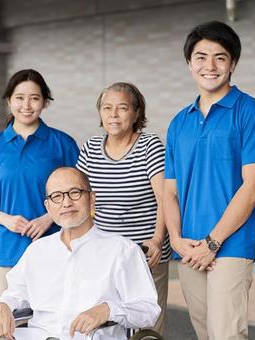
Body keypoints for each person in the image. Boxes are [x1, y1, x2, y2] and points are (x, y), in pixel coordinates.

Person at [163, 21, 255, 339]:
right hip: (188, 246)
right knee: (204, 332)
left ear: (233, 64)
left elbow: (253, 186)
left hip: (230, 246)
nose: (210, 66)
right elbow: (169, 191)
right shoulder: (178, 123)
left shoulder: (250, 113)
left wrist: (213, 242)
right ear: (189, 63)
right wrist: (175, 237)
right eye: (201, 57)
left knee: (226, 333)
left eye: (220, 57)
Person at [0, 167, 160, 340]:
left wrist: (108, 310)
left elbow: (148, 310)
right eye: (57, 196)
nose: (66, 203)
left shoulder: (122, 251)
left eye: (75, 192)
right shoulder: (36, 251)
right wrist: (2, 305)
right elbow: (15, 293)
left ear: (92, 198)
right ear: (48, 206)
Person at [0, 69, 79, 298]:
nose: (26, 105)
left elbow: (81, 195)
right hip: (6, 251)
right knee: (10, 326)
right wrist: (6, 220)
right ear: (9, 100)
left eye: (34, 98)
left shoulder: (62, 144)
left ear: (45, 102)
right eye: (19, 97)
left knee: (54, 324)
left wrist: (49, 218)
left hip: (55, 247)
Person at [77, 82, 169, 334]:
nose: (113, 115)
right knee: (106, 326)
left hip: (145, 253)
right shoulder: (90, 149)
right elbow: (82, 199)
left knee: (145, 328)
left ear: (137, 113)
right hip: (105, 255)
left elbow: (165, 199)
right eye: (107, 108)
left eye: (122, 108)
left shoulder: (150, 146)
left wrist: (157, 240)